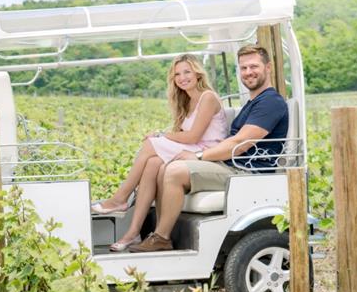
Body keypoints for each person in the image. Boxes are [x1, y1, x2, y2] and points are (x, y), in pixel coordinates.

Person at [130, 45, 288, 253]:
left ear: (268, 68)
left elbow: (239, 145)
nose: (248, 72)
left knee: (175, 170)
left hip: (245, 172)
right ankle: (155, 232)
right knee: (160, 165)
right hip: (230, 166)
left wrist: (198, 155)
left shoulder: (270, 102)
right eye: (243, 68)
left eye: (254, 66)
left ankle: (161, 237)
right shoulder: (253, 103)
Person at [91, 54, 227, 252]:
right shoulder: (186, 101)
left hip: (207, 151)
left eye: (187, 72)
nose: (182, 77)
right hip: (194, 147)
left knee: (151, 144)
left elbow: (192, 136)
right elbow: (185, 136)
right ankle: (133, 232)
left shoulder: (208, 97)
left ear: (197, 73)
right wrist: (162, 136)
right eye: (177, 74)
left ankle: (120, 199)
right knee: (153, 163)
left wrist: (161, 135)